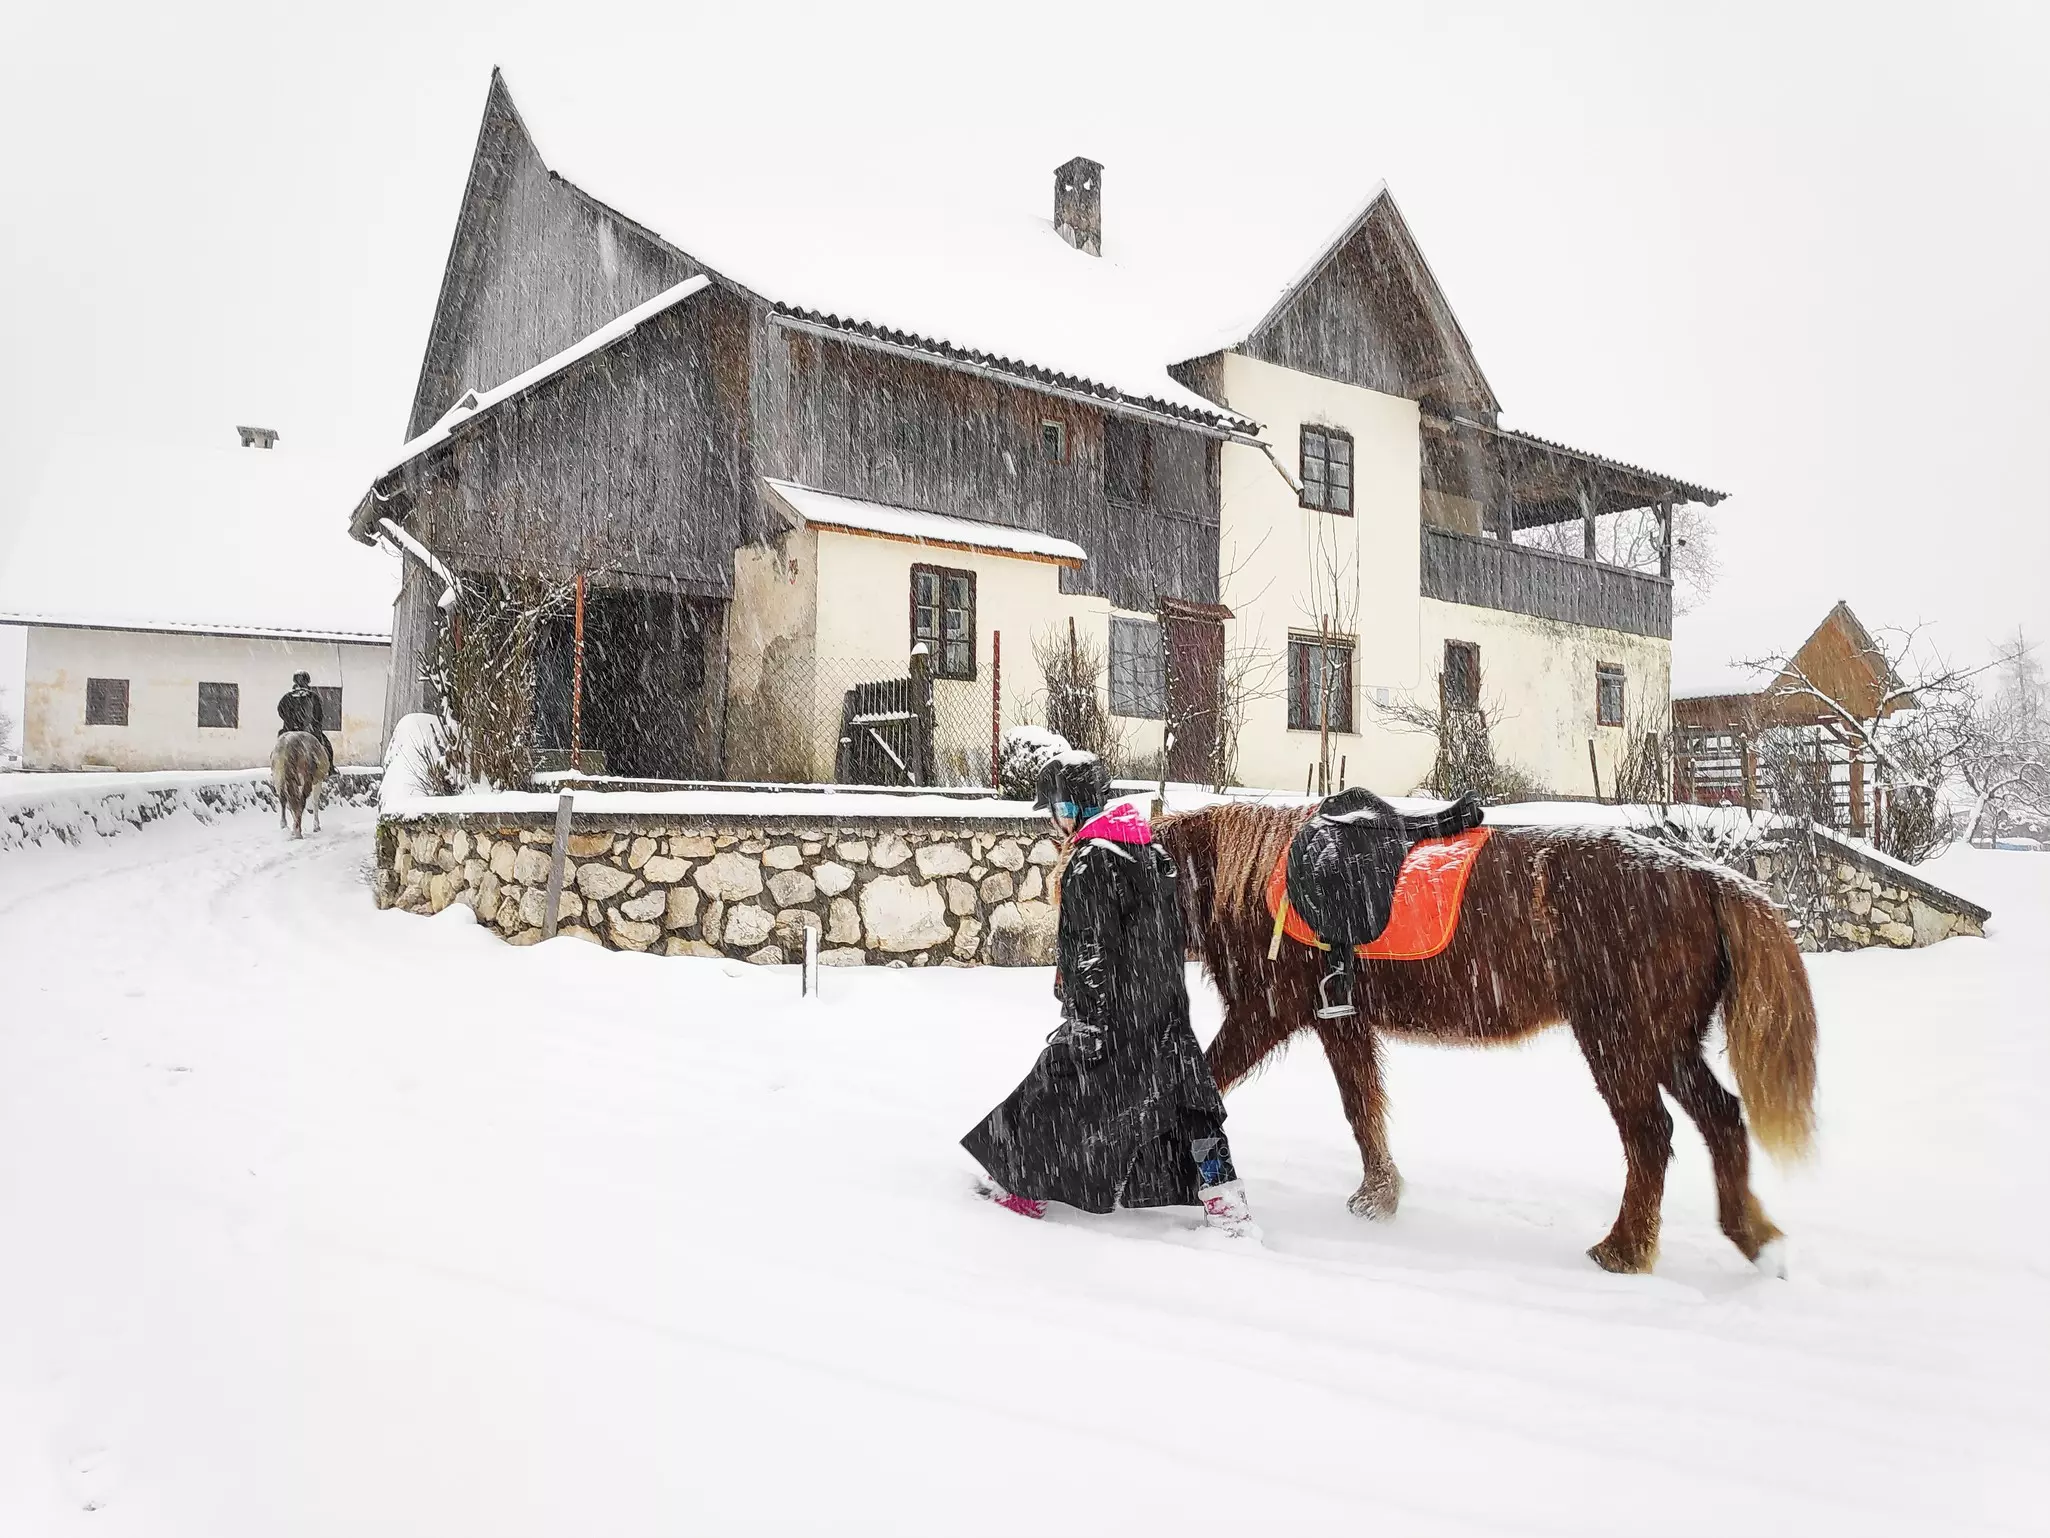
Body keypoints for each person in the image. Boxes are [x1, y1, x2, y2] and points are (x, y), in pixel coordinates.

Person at [961, 751, 1258, 1238]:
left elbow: (1089, 950)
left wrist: (1086, 1018)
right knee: (1188, 1103)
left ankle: (1024, 1188)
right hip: (1162, 1010)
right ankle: (1223, 1196)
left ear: (1073, 807)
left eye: (1055, 809)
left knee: (1053, 1093)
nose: (1054, 822)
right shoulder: (1152, 853)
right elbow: (1166, 941)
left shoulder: (1090, 862)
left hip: (1113, 1013)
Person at [276, 671, 335, 775]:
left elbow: (280, 710)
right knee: (327, 747)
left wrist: (289, 722)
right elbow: (319, 715)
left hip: (290, 730)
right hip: (309, 731)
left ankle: (276, 767)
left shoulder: (287, 697)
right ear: (308, 682)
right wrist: (313, 726)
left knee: (279, 746)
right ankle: (330, 769)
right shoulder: (313, 697)